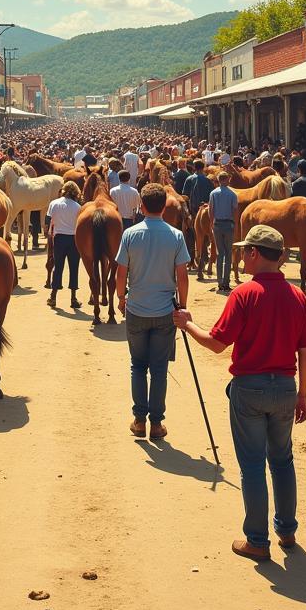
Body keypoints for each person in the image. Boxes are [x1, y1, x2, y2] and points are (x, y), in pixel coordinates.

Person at [174, 224, 306, 560]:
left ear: (254, 253)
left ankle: (257, 539)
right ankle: (287, 529)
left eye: (245, 250)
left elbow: (217, 343)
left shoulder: (243, 294)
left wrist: (187, 322)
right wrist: (303, 394)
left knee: (252, 464)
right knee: (282, 461)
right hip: (284, 386)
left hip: (249, 387)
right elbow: (305, 352)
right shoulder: (297, 296)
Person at [114, 183, 190, 441]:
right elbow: (182, 275)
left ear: (142, 206)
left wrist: (121, 297)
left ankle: (139, 420)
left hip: (137, 308)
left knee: (138, 366)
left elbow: (120, 272)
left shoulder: (130, 234)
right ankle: (156, 424)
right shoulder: (176, 235)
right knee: (159, 369)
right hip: (164, 310)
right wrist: (183, 305)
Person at [46, 181, 83, 311]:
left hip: (59, 238)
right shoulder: (78, 207)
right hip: (74, 239)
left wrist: (49, 235)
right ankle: (73, 298)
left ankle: (53, 296)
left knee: (58, 267)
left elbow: (47, 221)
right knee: (74, 268)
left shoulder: (54, 203)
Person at [208, 170, 238, 293]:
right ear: (227, 180)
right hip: (228, 224)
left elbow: (211, 210)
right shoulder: (232, 194)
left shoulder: (213, 193)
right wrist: (235, 225)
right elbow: (235, 210)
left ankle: (219, 282)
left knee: (220, 254)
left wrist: (211, 223)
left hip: (217, 225)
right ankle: (226, 282)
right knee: (228, 253)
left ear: (219, 180)